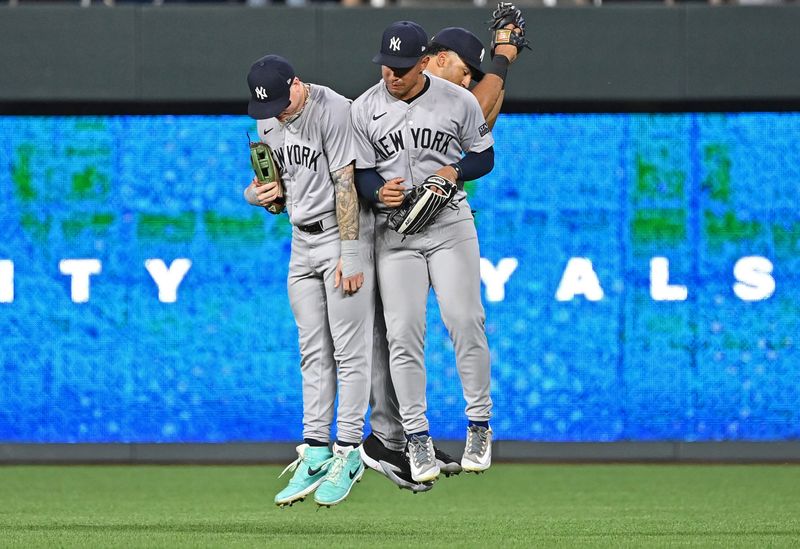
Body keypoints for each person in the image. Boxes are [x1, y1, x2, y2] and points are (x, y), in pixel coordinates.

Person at [358, 22, 525, 491]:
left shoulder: (458, 100)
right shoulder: (365, 108)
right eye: (387, 67)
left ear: (424, 62)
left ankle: (479, 427)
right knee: (403, 334)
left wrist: (454, 168)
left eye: (403, 68)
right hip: (397, 232)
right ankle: (414, 438)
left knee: (465, 319)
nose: (393, 75)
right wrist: (377, 190)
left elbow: (484, 156)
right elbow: (360, 173)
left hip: (449, 223)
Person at [243, 54, 373, 507]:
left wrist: (352, 254)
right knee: (312, 350)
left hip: (342, 235)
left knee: (350, 350)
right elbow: (279, 191)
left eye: (282, 100)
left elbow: (346, 184)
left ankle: (351, 451)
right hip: (300, 241)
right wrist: (259, 195)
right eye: (268, 106)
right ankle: (316, 449)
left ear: (298, 84)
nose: (277, 112)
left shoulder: (333, 109)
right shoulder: (268, 122)